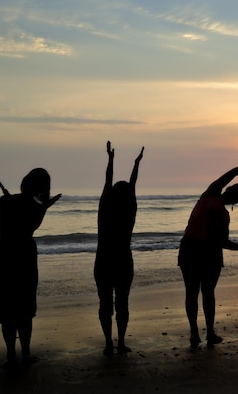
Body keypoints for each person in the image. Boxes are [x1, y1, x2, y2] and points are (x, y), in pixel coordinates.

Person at [179, 167, 238, 348]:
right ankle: (202, 333)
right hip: (198, 251)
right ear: (233, 195)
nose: (237, 202)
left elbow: (222, 242)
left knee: (197, 293)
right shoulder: (212, 197)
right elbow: (231, 173)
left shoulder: (212, 199)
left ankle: (202, 333)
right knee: (202, 293)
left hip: (198, 251)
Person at [0, 168, 62, 369]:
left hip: (3, 253)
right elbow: (30, 228)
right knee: (24, 306)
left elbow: (5, 226)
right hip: (23, 254)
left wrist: (38, 207)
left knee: (7, 306)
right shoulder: (34, 207)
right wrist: (44, 207)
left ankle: (11, 355)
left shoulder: (5, 201)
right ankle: (26, 353)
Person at [94, 141, 144, 356]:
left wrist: (111, 159)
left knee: (105, 303)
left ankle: (108, 343)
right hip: (123, 260)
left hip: (104, 261)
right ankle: (121, 343)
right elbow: (132, 185)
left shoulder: (105, 209)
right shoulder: (129, 212)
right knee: (122, 303)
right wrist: (136, 164)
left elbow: (108, 182)